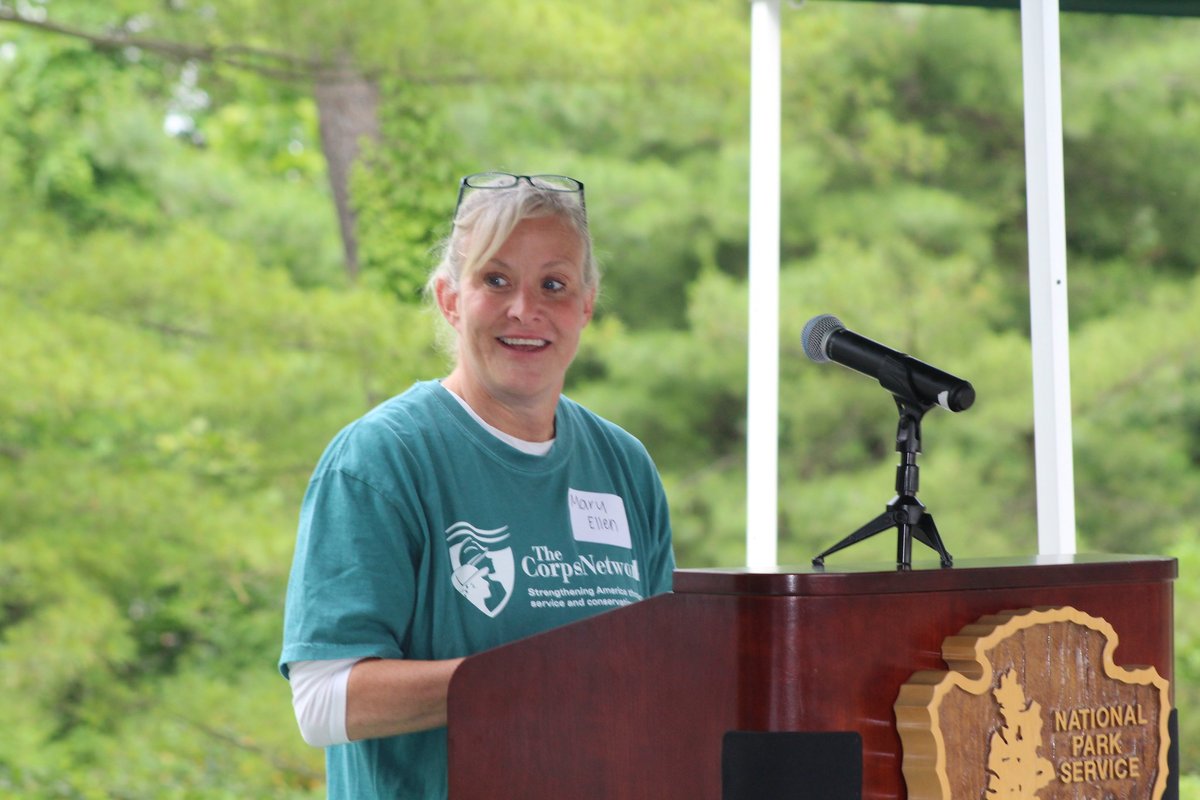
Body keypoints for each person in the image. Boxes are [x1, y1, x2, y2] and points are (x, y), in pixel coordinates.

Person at [279, 172, 676, 799]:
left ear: (587, 304)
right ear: (450, 299)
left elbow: (658, 684)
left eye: (554, 284)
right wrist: (532, 675)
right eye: (496, 280)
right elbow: (324, 701)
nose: (526, 309)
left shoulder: (624, 465)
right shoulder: (382, 459)